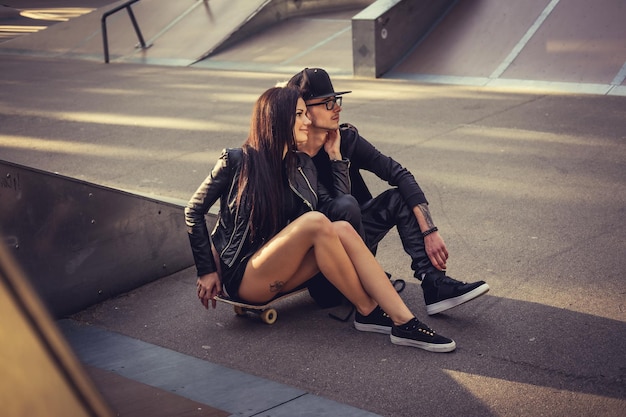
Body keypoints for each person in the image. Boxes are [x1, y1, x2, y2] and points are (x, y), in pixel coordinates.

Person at [184, 86, 456, 352]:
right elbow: (193, 211)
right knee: (316, 221)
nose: (307, 121)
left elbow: (337, 207)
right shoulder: (236, 161)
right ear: (277, 120)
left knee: (341, 228)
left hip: (283, 268)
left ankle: (401, 321)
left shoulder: (301, 167)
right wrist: (206, 269)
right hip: (244, 275)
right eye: (299, 115)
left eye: (305, 113)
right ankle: (371, 309)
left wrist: (337, 161)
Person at [286, 68, 490, 315]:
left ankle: (433, 283)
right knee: (345, 207)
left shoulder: (346, 139)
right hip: (323, 271)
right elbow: (333, 212)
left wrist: (429, 230)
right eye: (328, 103)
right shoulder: (290, 159)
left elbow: (399, 174)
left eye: (336, 100)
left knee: (397, 198)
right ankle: (368, 291)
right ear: (303, 110)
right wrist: (336, 160)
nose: (337, 108)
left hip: (358, 243)